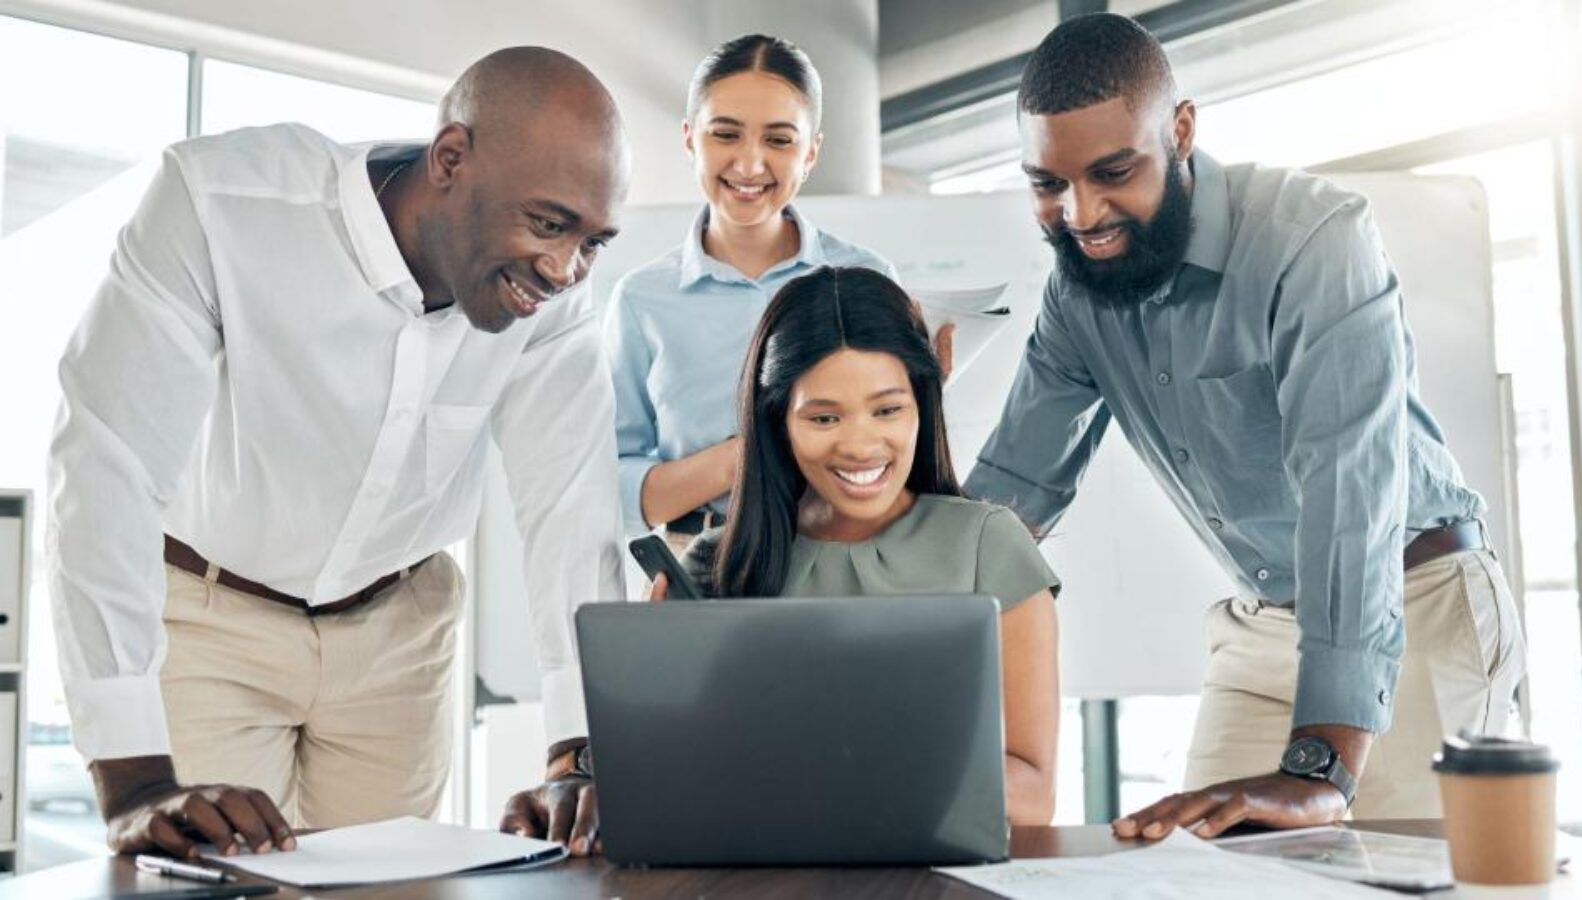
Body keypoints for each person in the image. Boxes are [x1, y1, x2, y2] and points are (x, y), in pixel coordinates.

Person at [48, 47, 630, 860]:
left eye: (593, 241)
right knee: (212, 880)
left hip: (399, 633)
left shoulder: (554, 296)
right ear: (451, 159)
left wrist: (577, 751)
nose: (566, 268)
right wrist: (134, 779)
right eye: (547, 223)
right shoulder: (221, 201)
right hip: (211, 619)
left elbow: (569, 504)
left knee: (394, 890)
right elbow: (107, 463)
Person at [966, 13, 1526, 838]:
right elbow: (1010, 503)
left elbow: (1350, 497)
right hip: (1263, 625)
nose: (1080, 214)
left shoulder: (1313, 242)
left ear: (1181, 130)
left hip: (1419, 608)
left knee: (1409, 887)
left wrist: (1321, 766)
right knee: (1186, 869)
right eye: (1047, 184)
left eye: (1112, 171)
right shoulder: (1078, 294)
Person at [505, 266, 1060, 852]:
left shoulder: (989, 545)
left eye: (888, 410)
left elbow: (1033, 794)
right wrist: (601, 761)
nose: (861, 444)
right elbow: (674, 777)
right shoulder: (714, 565)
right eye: (823, 417)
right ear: (777, 420)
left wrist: (833, 777)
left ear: (922, 405)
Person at [603, 34, 900, 556]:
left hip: (845, 558)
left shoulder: (864, 277)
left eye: (779, 141)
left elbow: (895, 450)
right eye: (726, 134)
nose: (749, 163)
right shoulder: (641, 301)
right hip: (702, 565)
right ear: (691, 138)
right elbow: (613, 486)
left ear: (811, 152)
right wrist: (743, 458)